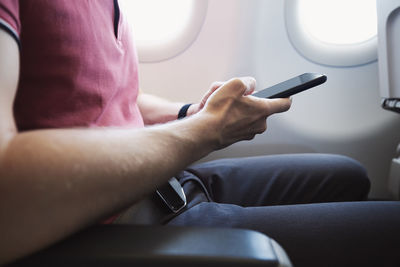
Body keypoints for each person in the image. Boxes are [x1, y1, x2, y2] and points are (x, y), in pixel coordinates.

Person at [0, 1, 399, 267]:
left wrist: (192, 113)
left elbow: (111, 98)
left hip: (160, 180)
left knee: (347, 173)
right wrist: (207, 131)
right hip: (114, 218)